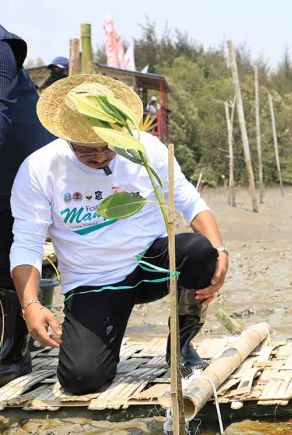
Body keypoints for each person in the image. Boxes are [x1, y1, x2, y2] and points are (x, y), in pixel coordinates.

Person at [10, 74, 229, 394]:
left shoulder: (146, 150)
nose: (100, 156)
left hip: (151, 266)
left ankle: (181, 345)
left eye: (107, 147)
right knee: (81, 379)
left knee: (201, 250)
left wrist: (221, 252)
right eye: (88, 152)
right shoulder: (39, 169)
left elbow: (191, 203)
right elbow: (27, 244)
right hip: (93, 279)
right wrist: (30, 304)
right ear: (67, 138)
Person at [0, 24, 55, 386]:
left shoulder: (0, 49)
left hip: (18, 159)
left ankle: (14, 351)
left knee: (7, 245)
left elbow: (0, 118)